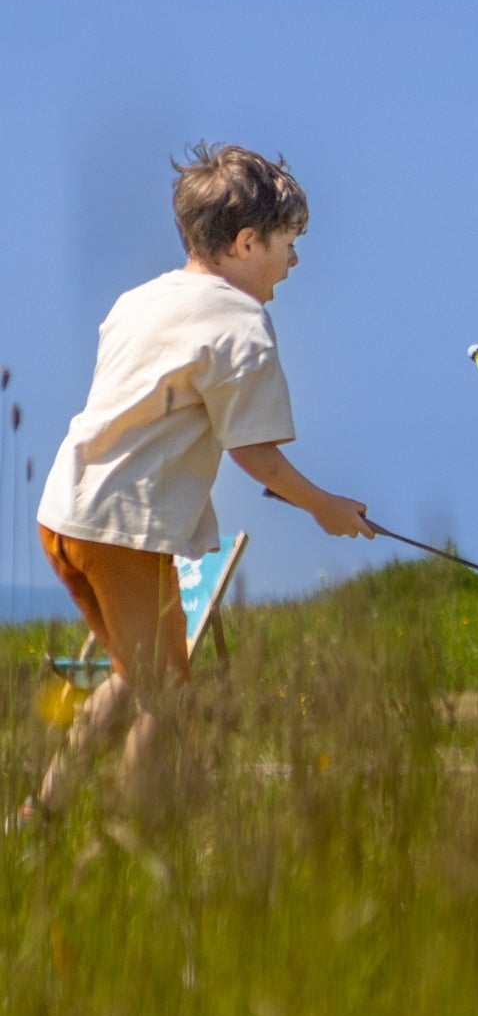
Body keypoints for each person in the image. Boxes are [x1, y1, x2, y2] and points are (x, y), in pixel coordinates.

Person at [20, 145, 371, 823]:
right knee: (165, 695)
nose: (294, 263)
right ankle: (131, 839)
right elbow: (256, 454)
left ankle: (43, 814)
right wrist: (324, 506)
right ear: (246, 242)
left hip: (64, 515)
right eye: (288, 245)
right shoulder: (242, 325)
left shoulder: (139, 299)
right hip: (120, 531)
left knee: (134, 677)